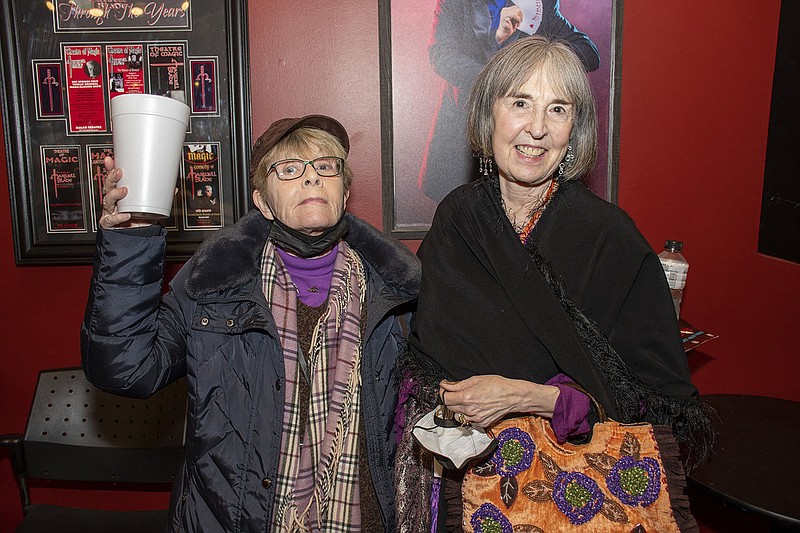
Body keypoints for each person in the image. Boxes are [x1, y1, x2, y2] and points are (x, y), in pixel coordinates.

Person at [395, 36, 713, 532]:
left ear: (574, 130)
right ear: (488, 114)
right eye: (520, 102)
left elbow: (660, 403)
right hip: (456, 491)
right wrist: (446, 400)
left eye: (557, 109)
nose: (537, 128)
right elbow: (423, 356)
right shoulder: (457, 217)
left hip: (574, 496)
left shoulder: (610, 237)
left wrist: (531, 397)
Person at [81, 115, 420, 532]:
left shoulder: (398, 291)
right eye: (290, 169)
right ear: (263, 201)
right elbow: (125, 371)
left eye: (326, 166)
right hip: (234, 520)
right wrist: (132, 241)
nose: (311, 179)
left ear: (344, 190)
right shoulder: (214, 284)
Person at [420, 0, 600, 202]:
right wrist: (503, 74)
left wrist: (534, 61)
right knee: (461, 213)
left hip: (525, 139)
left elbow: (589, 54)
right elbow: (442, 55)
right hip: (465, 127)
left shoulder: (539, 5)